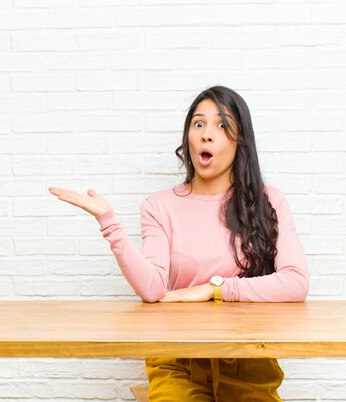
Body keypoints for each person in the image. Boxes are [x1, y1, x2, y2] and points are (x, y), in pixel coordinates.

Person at [47, 85, 309, 401]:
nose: (206, 135)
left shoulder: (268, 201)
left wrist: (217, 290)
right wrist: (109, 223)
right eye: (198, 124)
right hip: (177, 359)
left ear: (240, 142)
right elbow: (154, 289)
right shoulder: (160, 206)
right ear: (188, 137)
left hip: (249, 360)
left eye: (222, 126)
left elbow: (295, 282)